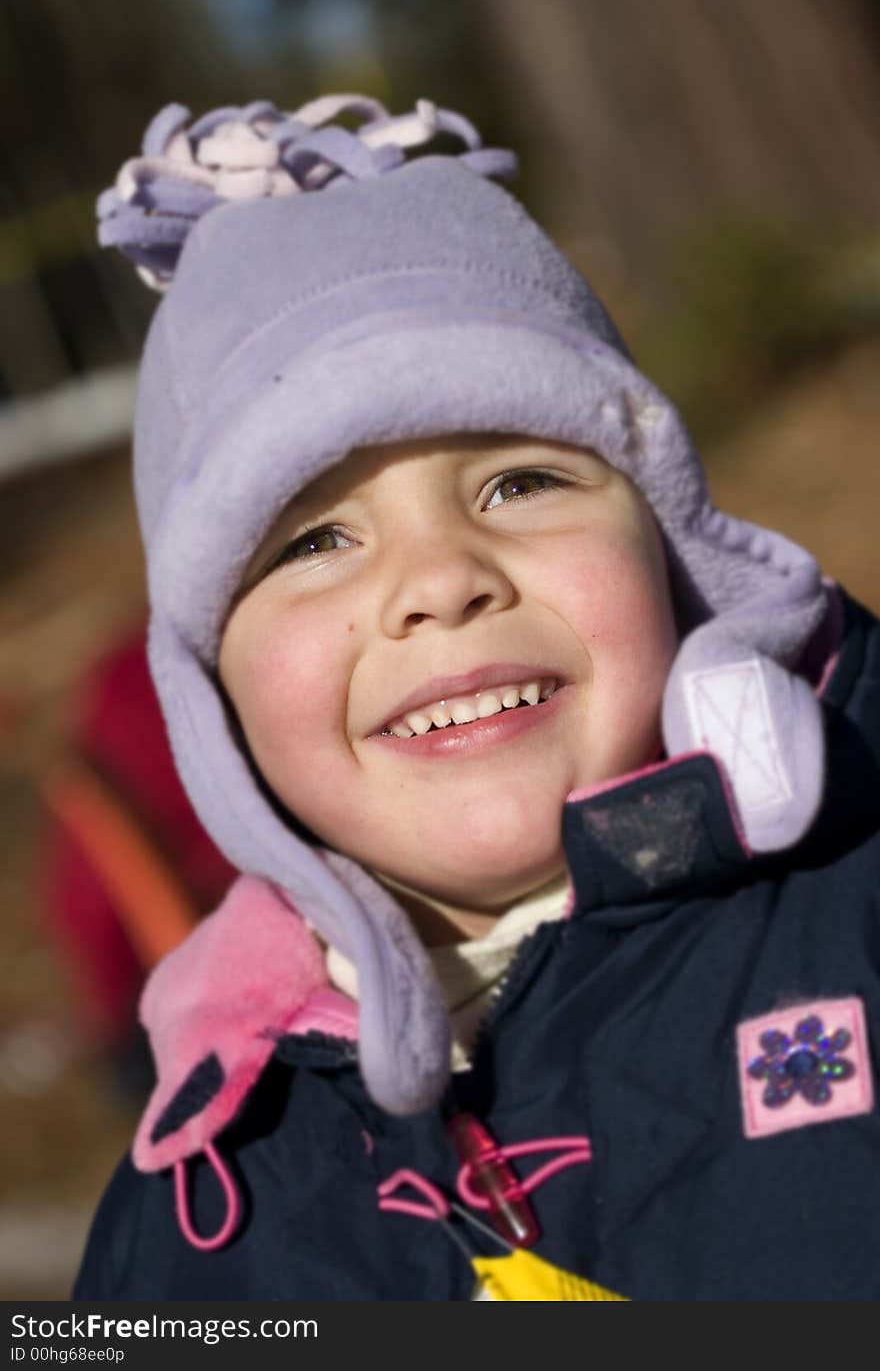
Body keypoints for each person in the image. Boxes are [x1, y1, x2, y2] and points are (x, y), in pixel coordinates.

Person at [74, 95, 880, 1301]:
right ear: (214, 698)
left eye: (519, 481)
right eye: (311, 543)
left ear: (671, 555)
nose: (440, 582)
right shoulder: (204, 1194)